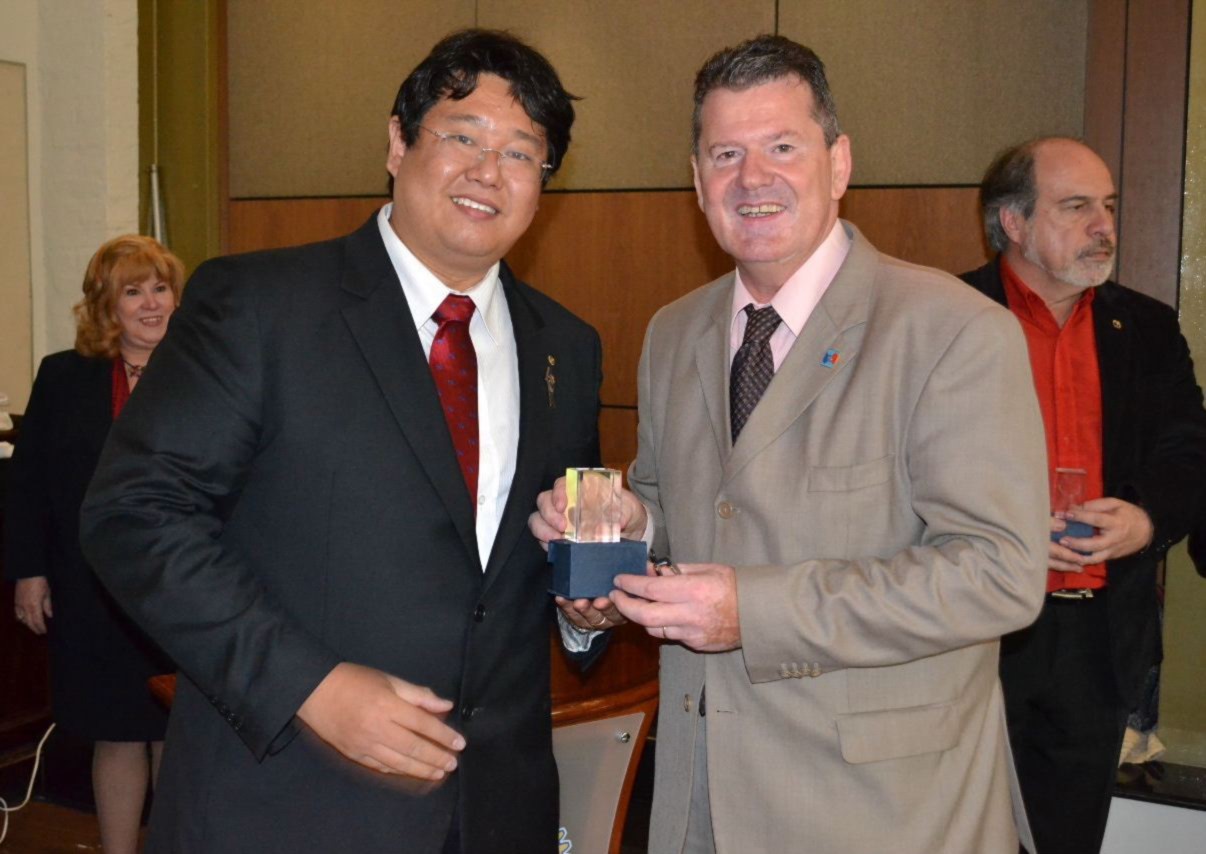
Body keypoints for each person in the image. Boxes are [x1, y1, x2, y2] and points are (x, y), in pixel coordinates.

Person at [79, 29, 603, 854]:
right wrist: (309, 686)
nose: (487, 171)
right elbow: (134, 515)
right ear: (398, 143)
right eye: (463, 136)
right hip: (287, 803)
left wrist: (587, 608)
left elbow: (541, 561)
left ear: (544, 183)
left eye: (521, 153)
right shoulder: (261, 306)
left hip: (495, 815)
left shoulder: (565, 348)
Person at [530, 35, 1050, 854]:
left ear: (838, 164)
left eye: (782, 147)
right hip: (699, 803)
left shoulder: (952, 332)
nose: (752, 179)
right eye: (726, 154)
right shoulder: (675, 333)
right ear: (697, 179)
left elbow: (999, 575)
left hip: (887, 816)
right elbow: (684, 512)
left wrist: (753, 612)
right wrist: (627, 528)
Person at [960, 136, 1206, 854]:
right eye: (1076, 207)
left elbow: (1189, 450)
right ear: (1013, 222)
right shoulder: (944, 313)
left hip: (1100, 640)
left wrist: (1146, 518)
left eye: (1109, 206)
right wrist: (1001, 528)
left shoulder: (1147, 326)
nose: (1104, 226)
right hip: (977, 630)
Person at [5, 234, 183, 854]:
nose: (152, 304)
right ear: (106, 305)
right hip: (92, 586)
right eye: (133, 291)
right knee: (116, 730)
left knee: (175, 732)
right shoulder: (64, 375)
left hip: (183, 581)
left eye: (161, 288)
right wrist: (29, 571)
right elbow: (29, 483)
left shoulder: (203, 370)